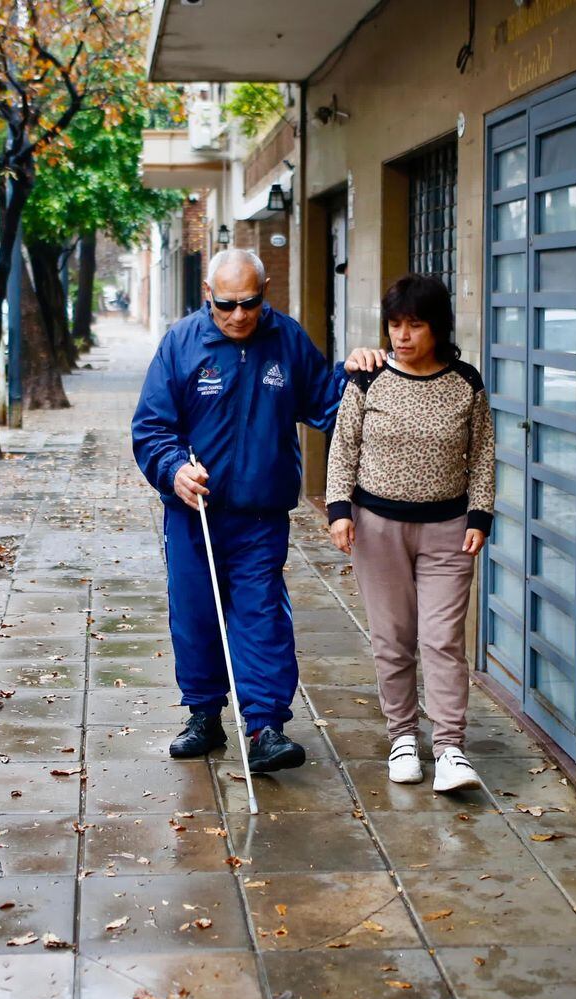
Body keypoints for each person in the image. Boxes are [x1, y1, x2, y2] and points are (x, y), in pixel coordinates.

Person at [132, 249, 345, 773]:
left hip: (260, 513)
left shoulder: (287, 340)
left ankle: (266, 725)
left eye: (250, 303)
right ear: (209, 293)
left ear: (264, 290)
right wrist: (174, 468)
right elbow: (152, 428)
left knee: (261, 614)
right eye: (226, 304)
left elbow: (326, 403)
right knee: (195, 613)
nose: (238, 315)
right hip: (194, 513)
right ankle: (203, 716)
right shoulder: (181, 345)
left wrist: (362, 375)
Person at [327, 274, 494, 792]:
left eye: (415, 325)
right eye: (395, 324)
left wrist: (480, 514)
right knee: (393, 639)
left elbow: (483, 453)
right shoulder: (368, 380)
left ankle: (449, 749)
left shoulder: (466, 382)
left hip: (448, 530)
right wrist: (339, 510)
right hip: (379, 531)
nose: (402, 335)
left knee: (443, 639)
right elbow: (343, 447)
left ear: (437, 327)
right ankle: (402, 737)